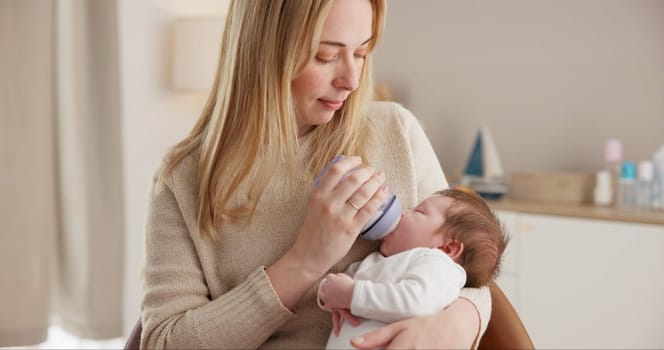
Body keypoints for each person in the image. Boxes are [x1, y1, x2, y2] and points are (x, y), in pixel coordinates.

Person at [140, 0, 492, 348]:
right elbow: (163, 342)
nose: (351, 80)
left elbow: (468, 273)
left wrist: (460, 323)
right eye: (326, 56)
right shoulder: (185, 179)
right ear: (264, 51)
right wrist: (304, 261)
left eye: (361, 53)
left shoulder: (396, 131)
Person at [318, 188, 509, 349]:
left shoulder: (439, 265)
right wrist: (328, 293)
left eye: (419, 211)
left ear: (448, 248)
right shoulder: (379, 260)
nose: (403, 212)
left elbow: (416, 301)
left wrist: (352, 295)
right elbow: (340, 283)